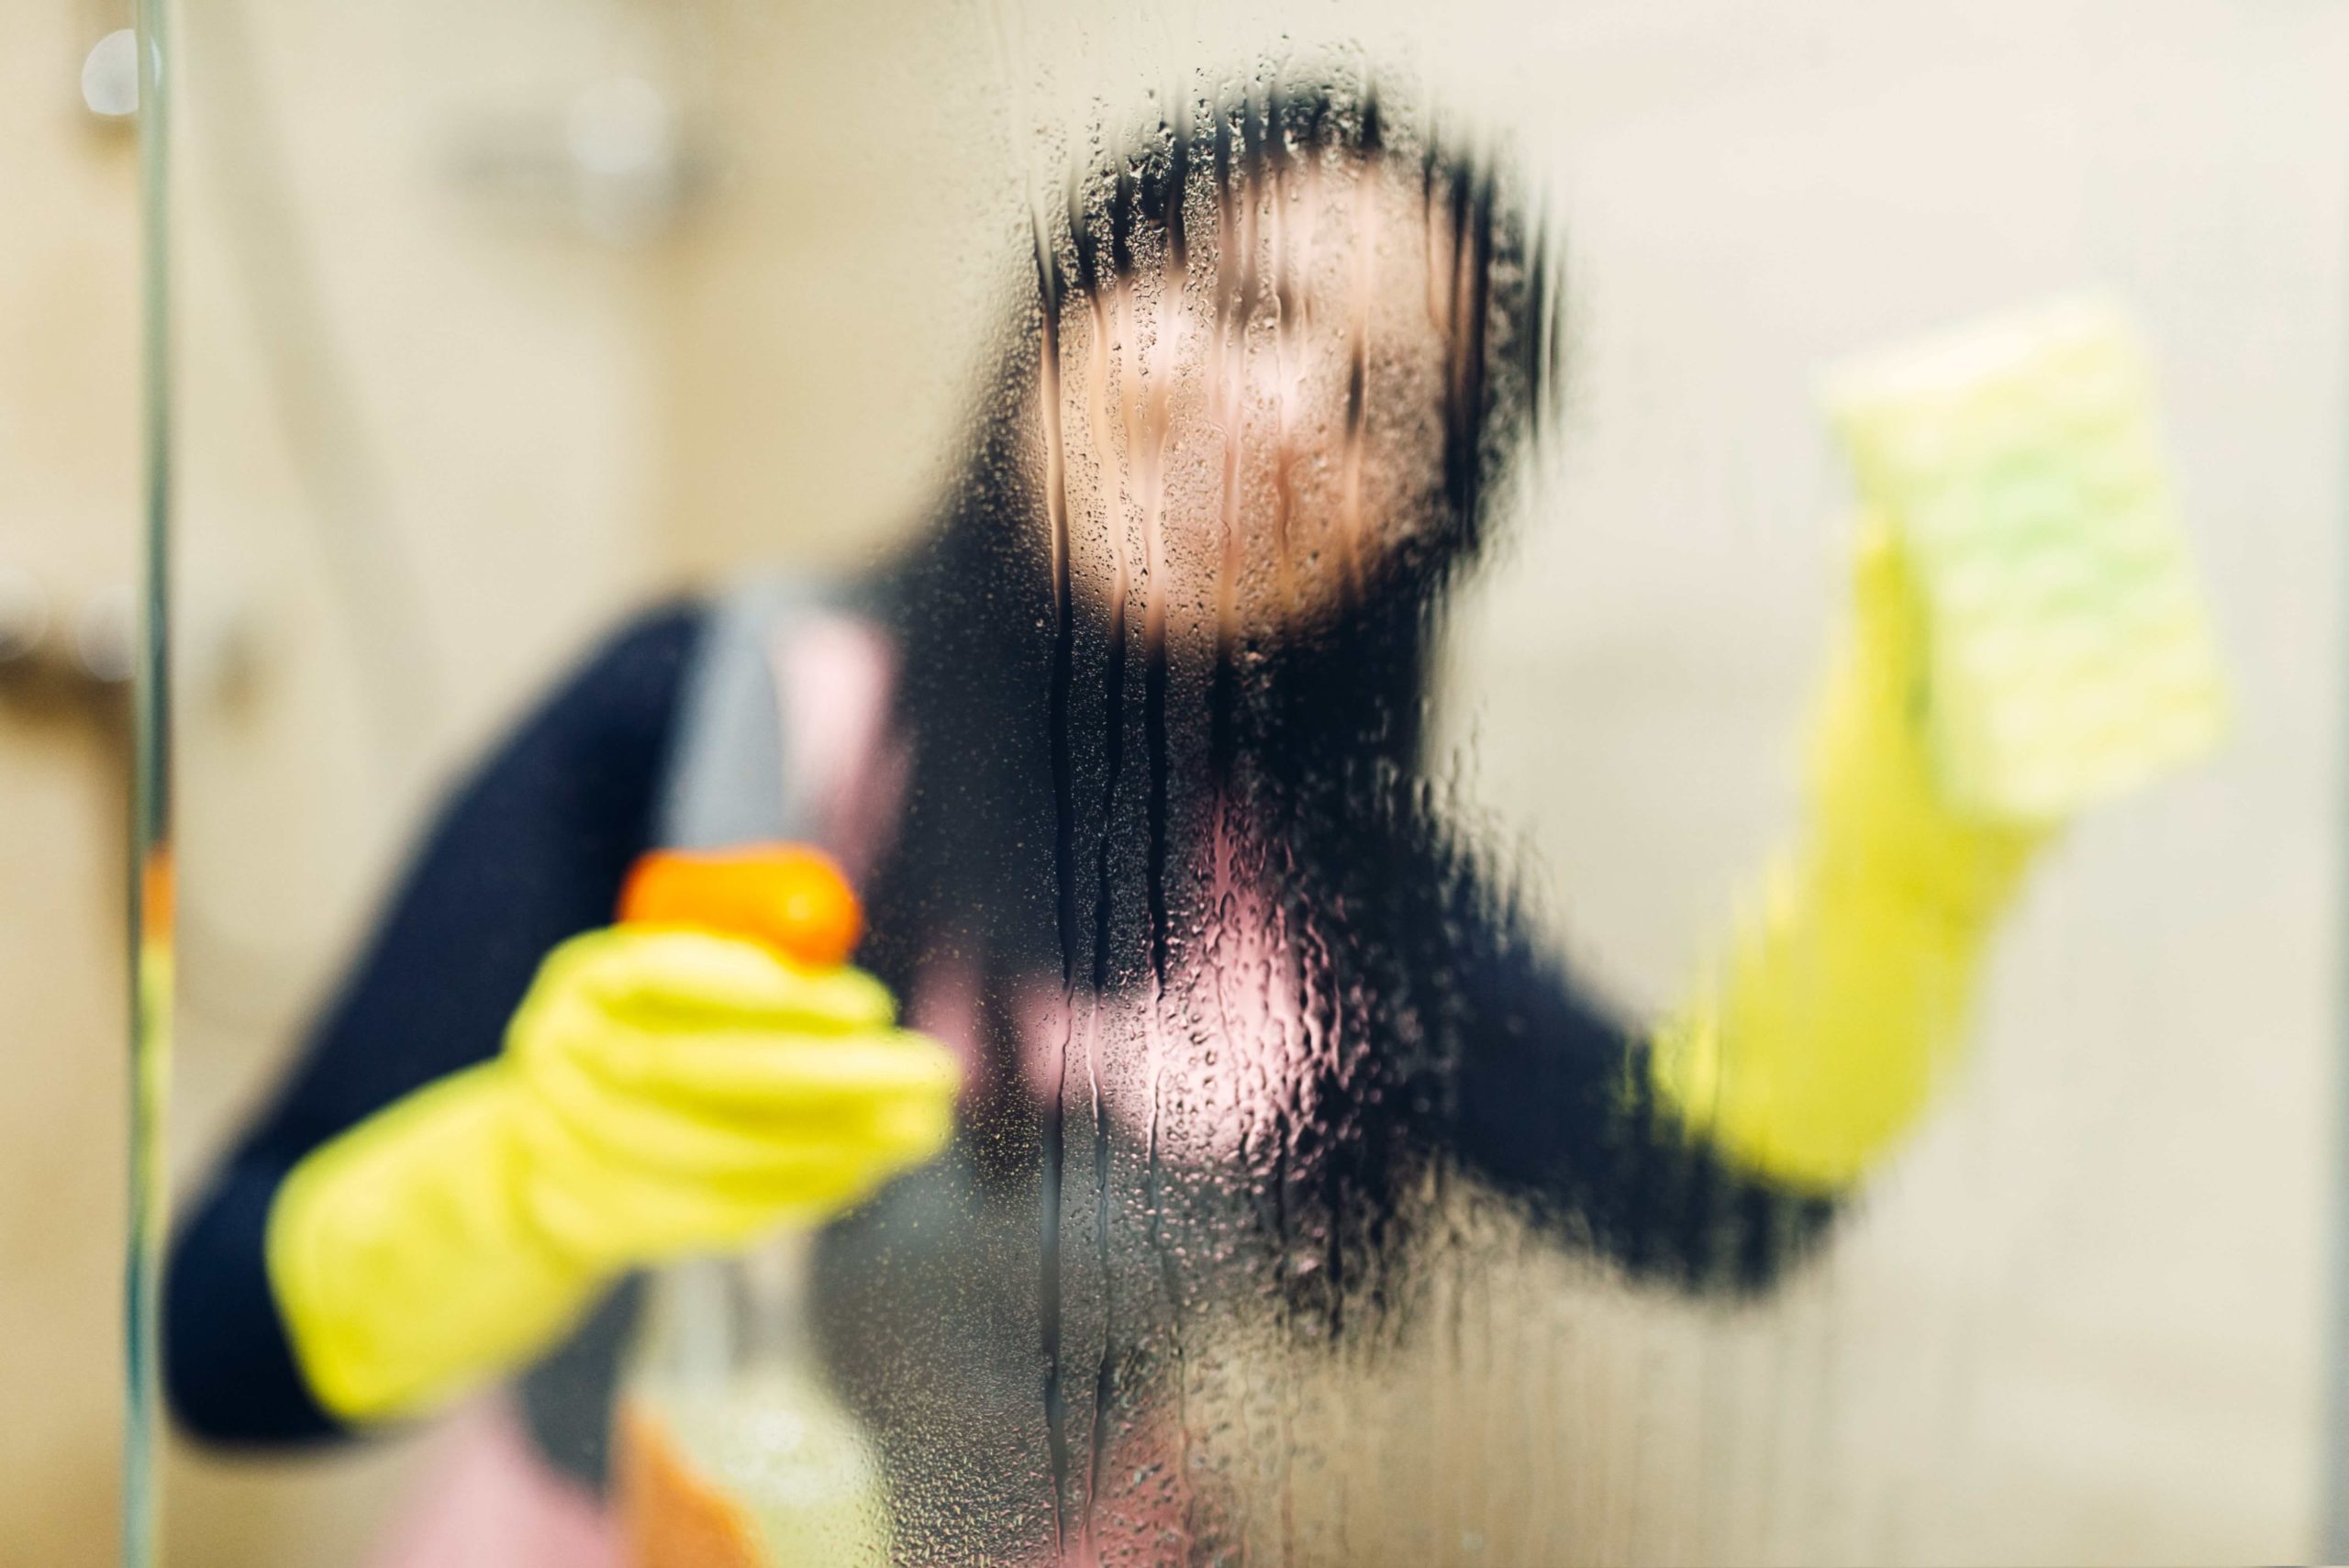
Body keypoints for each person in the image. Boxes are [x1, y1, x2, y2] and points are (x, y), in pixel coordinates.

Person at [167, 82, 2043, 1562]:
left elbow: (1708, 1211)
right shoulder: (694, 706)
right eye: (1238, 303)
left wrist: (1909, 859)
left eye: (1388, 407)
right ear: (1073, 303)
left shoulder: (1338, 896)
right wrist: (525, 1174)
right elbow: (215, 1350)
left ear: (1418, 536)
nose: (1285, 413)